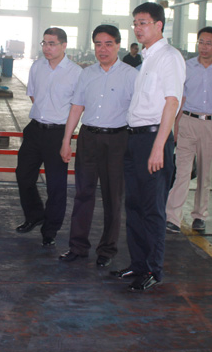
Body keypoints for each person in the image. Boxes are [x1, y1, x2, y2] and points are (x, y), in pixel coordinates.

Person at [109, 2, 185, 292]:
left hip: (154, 140)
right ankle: (138, 264)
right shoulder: (146, 59)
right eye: (135, 23)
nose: (138, 28)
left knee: (152, 209)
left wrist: (159, 146)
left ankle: (154, 269)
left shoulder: (169, 57)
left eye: (143, 23)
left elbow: (172, 103)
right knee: (135, 206)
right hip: (135, 139)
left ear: (158, 25)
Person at [58, 25, 138, 268]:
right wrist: (66, 140)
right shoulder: (87, 74)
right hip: (89, 138)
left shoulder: (131, 75)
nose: (103, 49)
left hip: (118, 140)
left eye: (108, 44)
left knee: (113, 196)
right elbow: (76, 107)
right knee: (83, 193)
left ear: (118, 45)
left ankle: (107, 249)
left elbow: (138, 112)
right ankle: (77, 247)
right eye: (98, 44)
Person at [166, 26, 212, 234]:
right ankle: (173, 217)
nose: (204, 47)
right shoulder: (187, 67)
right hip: (188, 121)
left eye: (208, 43)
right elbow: (181, 99)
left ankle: (199, 215)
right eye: (201, 42)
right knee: (182, 172)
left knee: (205, 173)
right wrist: (175, 126)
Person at [15, 27, 82, 247]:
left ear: (64, 46)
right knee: (24, 176)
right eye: (44, 43)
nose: (47, 48)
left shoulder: (76, 73)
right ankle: (34, 215)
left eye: (52, 44)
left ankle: (50, 229)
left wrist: (66, 140)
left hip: (58, 133)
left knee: (56, 185)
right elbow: (33, 95)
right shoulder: (37, 67)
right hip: (35, 130)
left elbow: (77, 107)